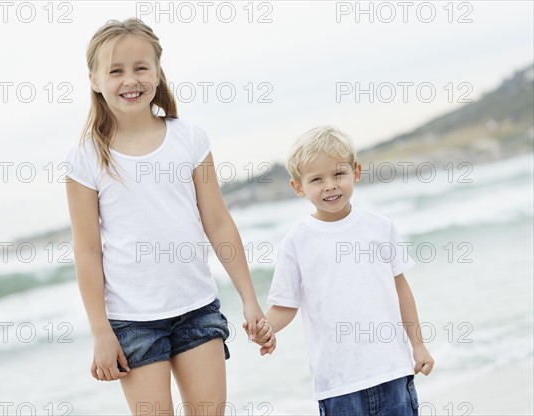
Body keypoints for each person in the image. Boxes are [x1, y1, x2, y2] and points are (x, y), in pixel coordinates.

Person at [65, 18, 265, 415]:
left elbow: (218, 222)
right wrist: (101, 332)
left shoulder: (189, 139)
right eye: (116, 71)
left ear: (157, 71)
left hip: (197, 308)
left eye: (141, 67)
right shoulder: (85, 159)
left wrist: (249, 299)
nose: (130, 80)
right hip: (132, 322)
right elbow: (87, 251)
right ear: (94, 79)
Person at [246, 126, 435, 415]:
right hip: (338, 384)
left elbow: (401, 290)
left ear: (355, 172)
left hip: (392, 370)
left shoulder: (380, 227)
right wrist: (266, 328)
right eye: (316, 179)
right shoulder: (296, 243)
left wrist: (418, 346)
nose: (330, 185)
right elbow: (285, 305)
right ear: (299, 187)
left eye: (338, 174)